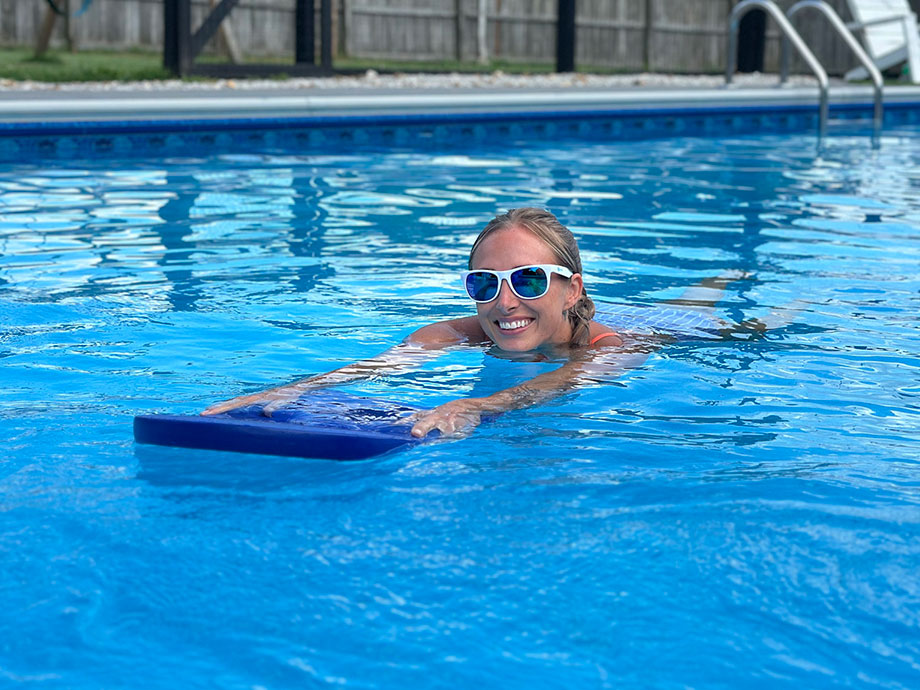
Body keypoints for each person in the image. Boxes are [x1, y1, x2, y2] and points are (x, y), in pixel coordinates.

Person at [202, 207, 760, 438]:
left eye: (529, 280)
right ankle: (714, 282)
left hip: (670, 330)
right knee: (694, 298)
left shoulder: (612, 349)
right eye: (485, 284)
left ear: (572, 288)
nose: (505, 302)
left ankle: (726, 287)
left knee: (721, 320)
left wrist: (475, 406)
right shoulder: (461, 334)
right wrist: (293, 390)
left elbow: (563, 382)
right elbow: (382, 366)